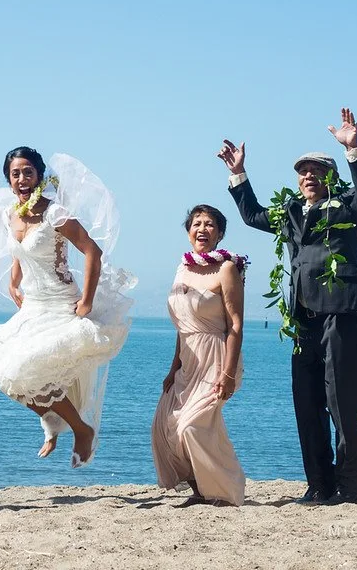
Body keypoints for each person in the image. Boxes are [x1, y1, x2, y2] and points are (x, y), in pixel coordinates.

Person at [217, 107, 357, 505]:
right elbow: (254, 214)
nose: (309, 176)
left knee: (343, 404)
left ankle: (352, 487)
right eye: (303, 171)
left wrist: (352, 148)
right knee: (306, 404)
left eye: (317, 171)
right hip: (302, 319)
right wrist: (238, 173)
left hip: (342, 314)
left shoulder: (347, 208)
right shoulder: (291, 212)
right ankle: (319, 484)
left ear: (330, 177)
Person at [0, 148, 134, 468]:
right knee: (6, 373)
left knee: (29, 370)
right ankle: (54, 422)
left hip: (61, 305)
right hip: (33, 308)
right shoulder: (13, 214)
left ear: (39, 176)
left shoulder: (55, 213)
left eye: (28, 172)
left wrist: (88, 300)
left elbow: (92, 252)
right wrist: (13, 282)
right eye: (15, 174)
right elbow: (20, 253)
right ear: (9, 180)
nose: (22, 179)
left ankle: (82, 430)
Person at [151, 205, 246, 507]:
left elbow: (235, 324)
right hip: (187, 362)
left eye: (209, 225)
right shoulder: (183, 268)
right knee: (165, 425)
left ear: (219, 233)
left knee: (192, 426)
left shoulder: (227, 268)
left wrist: (228, 374)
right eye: (196, 224)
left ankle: (226, 492)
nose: (202, 229)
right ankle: (199, 490)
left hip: (217, 358)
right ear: (188, 231)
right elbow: (183, 326)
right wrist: (173, 368)